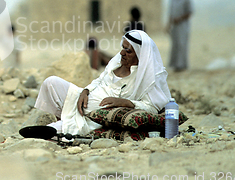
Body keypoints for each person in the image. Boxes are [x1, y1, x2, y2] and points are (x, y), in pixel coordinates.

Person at [35, 30, 171, 136]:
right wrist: (85, 91)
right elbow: (99, 80)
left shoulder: (147, 78)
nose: (122, 53)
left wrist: (125, 102)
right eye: (122, 47)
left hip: (94, 115)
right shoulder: (116, 61)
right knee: (50, 82)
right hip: (84, 99)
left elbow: (151, 108)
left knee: (52, 130)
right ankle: (63, 118)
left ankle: (61, 124)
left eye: (128, 51)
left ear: (140, 54)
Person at [166, 0, 193, 72]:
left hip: (183, 26)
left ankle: (182, 65)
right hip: (174, 26)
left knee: (182, 44)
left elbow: (190, 12)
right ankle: (175, 65)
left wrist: (180, 18)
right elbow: (170, 13)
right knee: (175, 45)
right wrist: (168, 25)